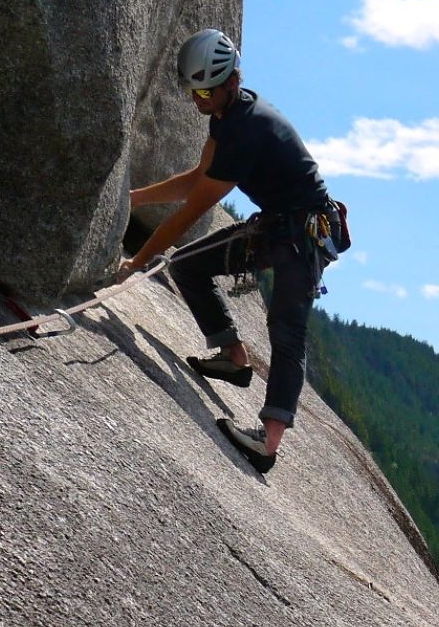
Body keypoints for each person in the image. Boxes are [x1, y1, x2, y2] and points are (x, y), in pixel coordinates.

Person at [122, 29, 343, 475]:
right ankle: (232, 356)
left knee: (286, 331)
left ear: (232, 81)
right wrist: (134, 198)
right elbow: (199, 177)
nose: (196, 99)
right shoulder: (225, 115)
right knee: (187, 265)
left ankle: (269, 442)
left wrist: (136, 264)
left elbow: (190, 211)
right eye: (192, 90)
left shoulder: (247, 127)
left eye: (204, 90)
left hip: (303, 236)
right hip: (276, 226)